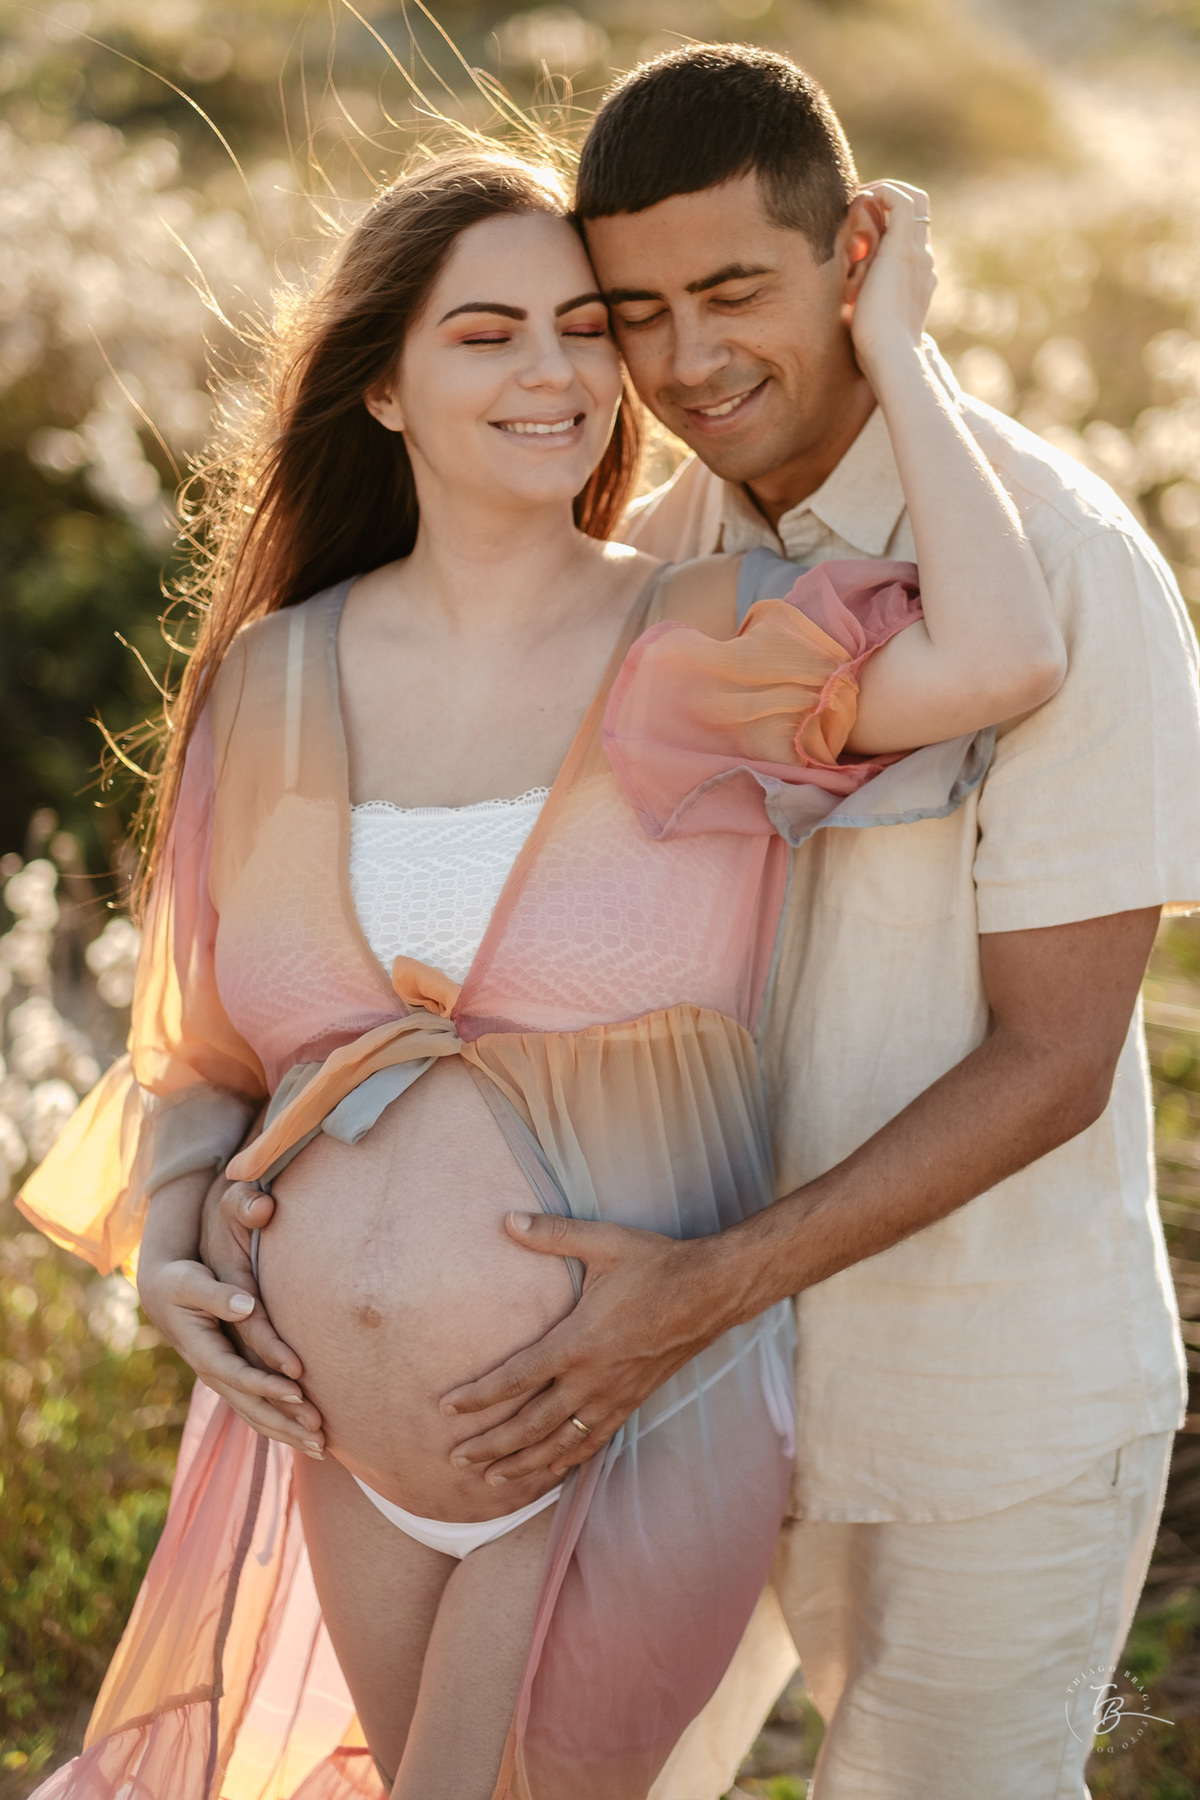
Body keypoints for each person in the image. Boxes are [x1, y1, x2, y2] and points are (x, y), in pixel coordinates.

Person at [201, 45, 1200, 1800]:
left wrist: (702, 1293)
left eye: (738, 289)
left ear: (855, 259)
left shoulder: (1055, 554)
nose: (683, 360)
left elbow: (1053, 1060)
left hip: (966, 1386)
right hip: (653, 1391)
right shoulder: (655, 555)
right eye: (632, 310)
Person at [17, 131, 1064, 1797]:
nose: (558, 369)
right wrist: (164, 1243)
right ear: (381, 389)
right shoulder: (273, 682)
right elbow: (206, 1061)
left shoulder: (694, 633)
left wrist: (899, 346)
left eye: (586, 327)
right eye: (487, 333)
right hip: (345, 1440)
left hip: (622, 1407)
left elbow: (1005, 649)